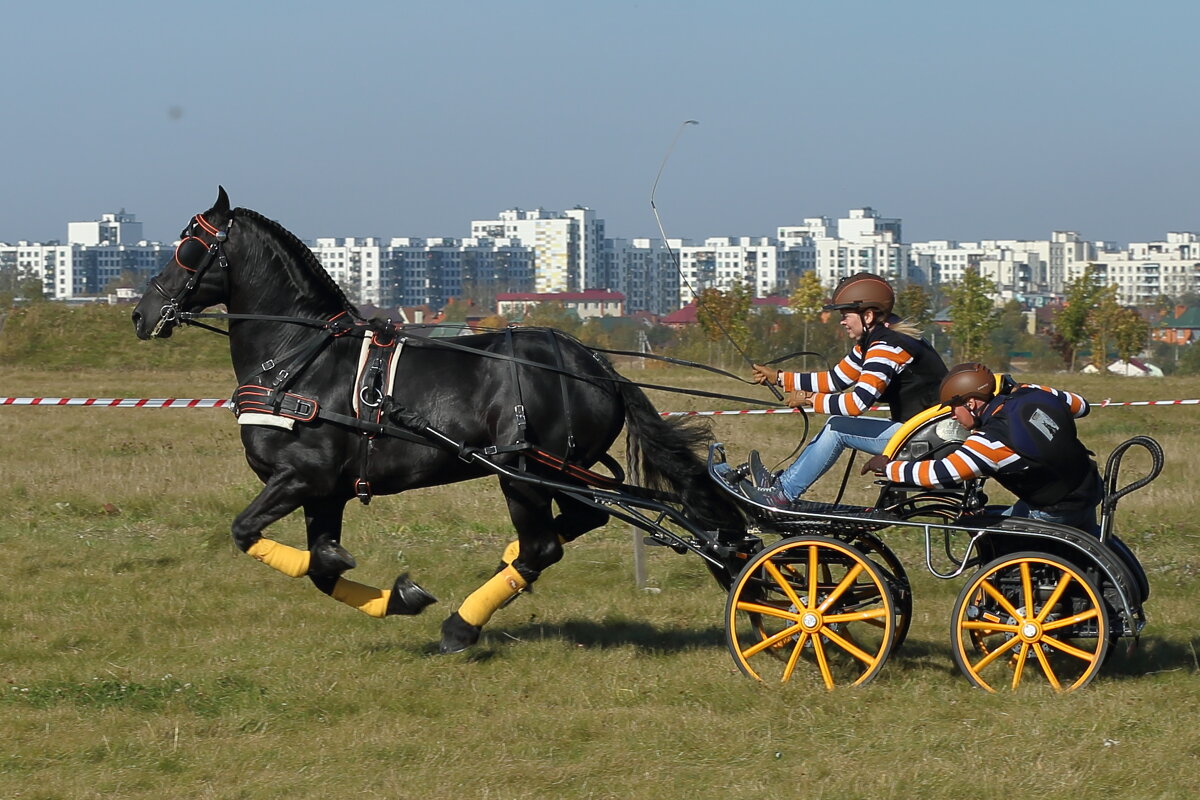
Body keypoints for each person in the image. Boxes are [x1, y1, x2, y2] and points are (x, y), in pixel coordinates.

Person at [743, 272, 947, 509]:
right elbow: (835, 379)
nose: (842, 321)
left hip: (923, 437)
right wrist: (779, 378)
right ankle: (780, 487)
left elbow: (856, 404)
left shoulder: (885, 346)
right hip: (920, 430)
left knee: (837, 428)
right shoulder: (879, 338)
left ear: (868, 315)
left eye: (845, 315)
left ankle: (782, 494)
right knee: (836, 425)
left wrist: (810, 400)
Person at [862, 362, 1103, 534]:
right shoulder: (1034, 394)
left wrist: (890, 469)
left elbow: (943, 472)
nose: (953, 416)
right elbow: (1080, 405)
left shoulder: (991, 440)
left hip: (1053, 510)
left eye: (953, 408)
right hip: (1087, 489)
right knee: (994, 514)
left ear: (971, 402)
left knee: (988, 538)